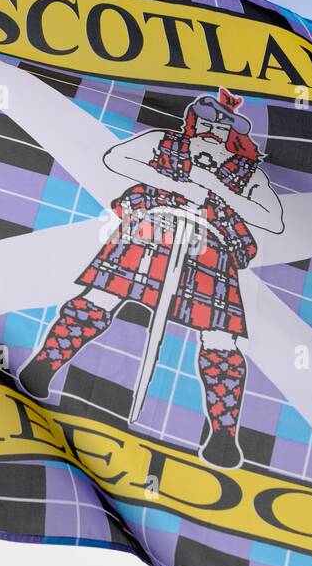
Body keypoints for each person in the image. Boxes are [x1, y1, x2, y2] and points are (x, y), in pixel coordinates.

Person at [18, 89, 284, 468]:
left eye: (220, 127)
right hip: (153, 228)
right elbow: (117, 158)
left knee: (219, 336)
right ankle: (44, 365)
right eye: (204, 122)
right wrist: (182, 183)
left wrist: (217, 190)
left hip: (211, 246)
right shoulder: (164, 142)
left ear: (234, 135)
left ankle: (222, 435)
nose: (210, 130)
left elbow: (272, 220)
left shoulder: (248, 175)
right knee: (102, 295)